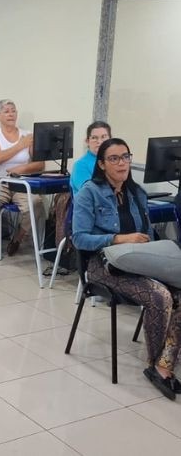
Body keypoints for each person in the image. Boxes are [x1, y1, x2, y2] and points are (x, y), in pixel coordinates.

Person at [72, 138, 181, 400]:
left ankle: (166, 360)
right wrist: (118, 239)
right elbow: (79, 239)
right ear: (101, 164)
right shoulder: (90, 192)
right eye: (114, 158)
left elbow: (148, 235)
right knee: (160, 296)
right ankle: (156, 365)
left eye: (125, 157)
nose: (122, 163)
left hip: (140, 261)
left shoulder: (137, 193)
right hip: (104, 265)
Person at [0, 99, 45, 259]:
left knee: (36, 203)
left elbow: (40, 165)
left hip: (21, 182)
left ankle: (18, 237)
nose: (11, 114)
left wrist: (20, 169)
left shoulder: (28, 135)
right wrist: (20, 145)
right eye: (6, 111)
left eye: (13, 110)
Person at [70, 121, 112, 197]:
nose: (99, 142)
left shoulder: (115, 162)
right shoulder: (80, 165)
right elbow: (91, 194)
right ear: (87, 141)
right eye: (94, 138)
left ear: (110, 139)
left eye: (103, 137)